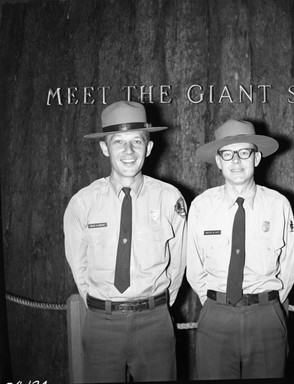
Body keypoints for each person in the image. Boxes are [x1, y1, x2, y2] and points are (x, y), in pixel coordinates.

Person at [63, 100, 186, 383]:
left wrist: (156, 305)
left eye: (136, 142)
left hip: (154, 323)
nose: (128, 151)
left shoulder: (169, 199)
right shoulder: (83, 203)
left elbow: (178, 264)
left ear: (150, 147)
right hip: (101, 324)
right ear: (105, 147)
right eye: (118, 141)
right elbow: (78, 267)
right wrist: (102, 304)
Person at [186, 119, 294, 380]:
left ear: (257, 157)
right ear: (218, 161)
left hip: (266, 317)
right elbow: (193, 266)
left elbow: (290, 264)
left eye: (244, 152)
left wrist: (270, 306)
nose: (236, 161)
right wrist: (216, 304)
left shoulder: (278, 205)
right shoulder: (201, 206)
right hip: (216, 316)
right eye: (228, 154)